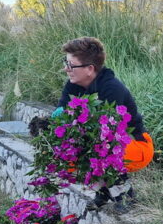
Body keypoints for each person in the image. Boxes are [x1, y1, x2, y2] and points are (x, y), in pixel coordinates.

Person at [56, 37, 154, 175]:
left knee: (96, 152)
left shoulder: (111, 88)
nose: (66, 69)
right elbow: (60, 117)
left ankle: (121, 192)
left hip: (136, 146)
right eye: (65, 62)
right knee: (59, 153)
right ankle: (104, 192)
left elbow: (106, 132)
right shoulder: (72, 86)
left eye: (71, 65)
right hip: (105, 144)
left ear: (90, 68)